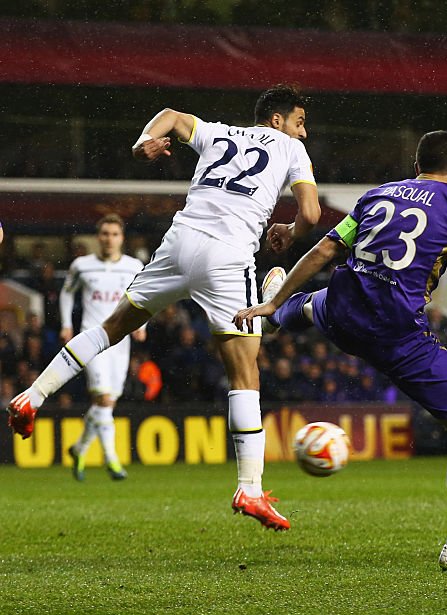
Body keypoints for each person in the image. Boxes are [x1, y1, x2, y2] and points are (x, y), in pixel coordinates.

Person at [8, 84, 321, 531]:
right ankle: (250, 489)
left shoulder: (219, 132)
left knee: (112, 327)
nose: (303, 132)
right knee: (245, 373)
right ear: (278, 120)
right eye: (300, 121)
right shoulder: (290, 148)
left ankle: (30, 397)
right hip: (228, 255)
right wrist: (289, 233)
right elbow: (309, 214)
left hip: (179, 242)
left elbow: (172, 115)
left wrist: (141, 145)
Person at [234, 130, 447, 571]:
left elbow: (324, 249)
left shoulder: (378, 195)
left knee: (318, 303)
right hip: (397, 333)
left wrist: (273, 302)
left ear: (416, 166)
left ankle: (283, 310)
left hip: (343, 309)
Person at [60, 214, 146, 481]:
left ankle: (79, 448)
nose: (109, 239)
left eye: (114, 234)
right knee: (105, 398)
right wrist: (66, 325)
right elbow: (66, 292)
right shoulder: (82, 266)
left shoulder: (134, 266)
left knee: (106, 404)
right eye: (105, 234)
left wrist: (143, 325)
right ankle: (112, 460)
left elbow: (147, 294)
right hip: (91, 338)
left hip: (121, 341)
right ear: (98, 237)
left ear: (122, 238)